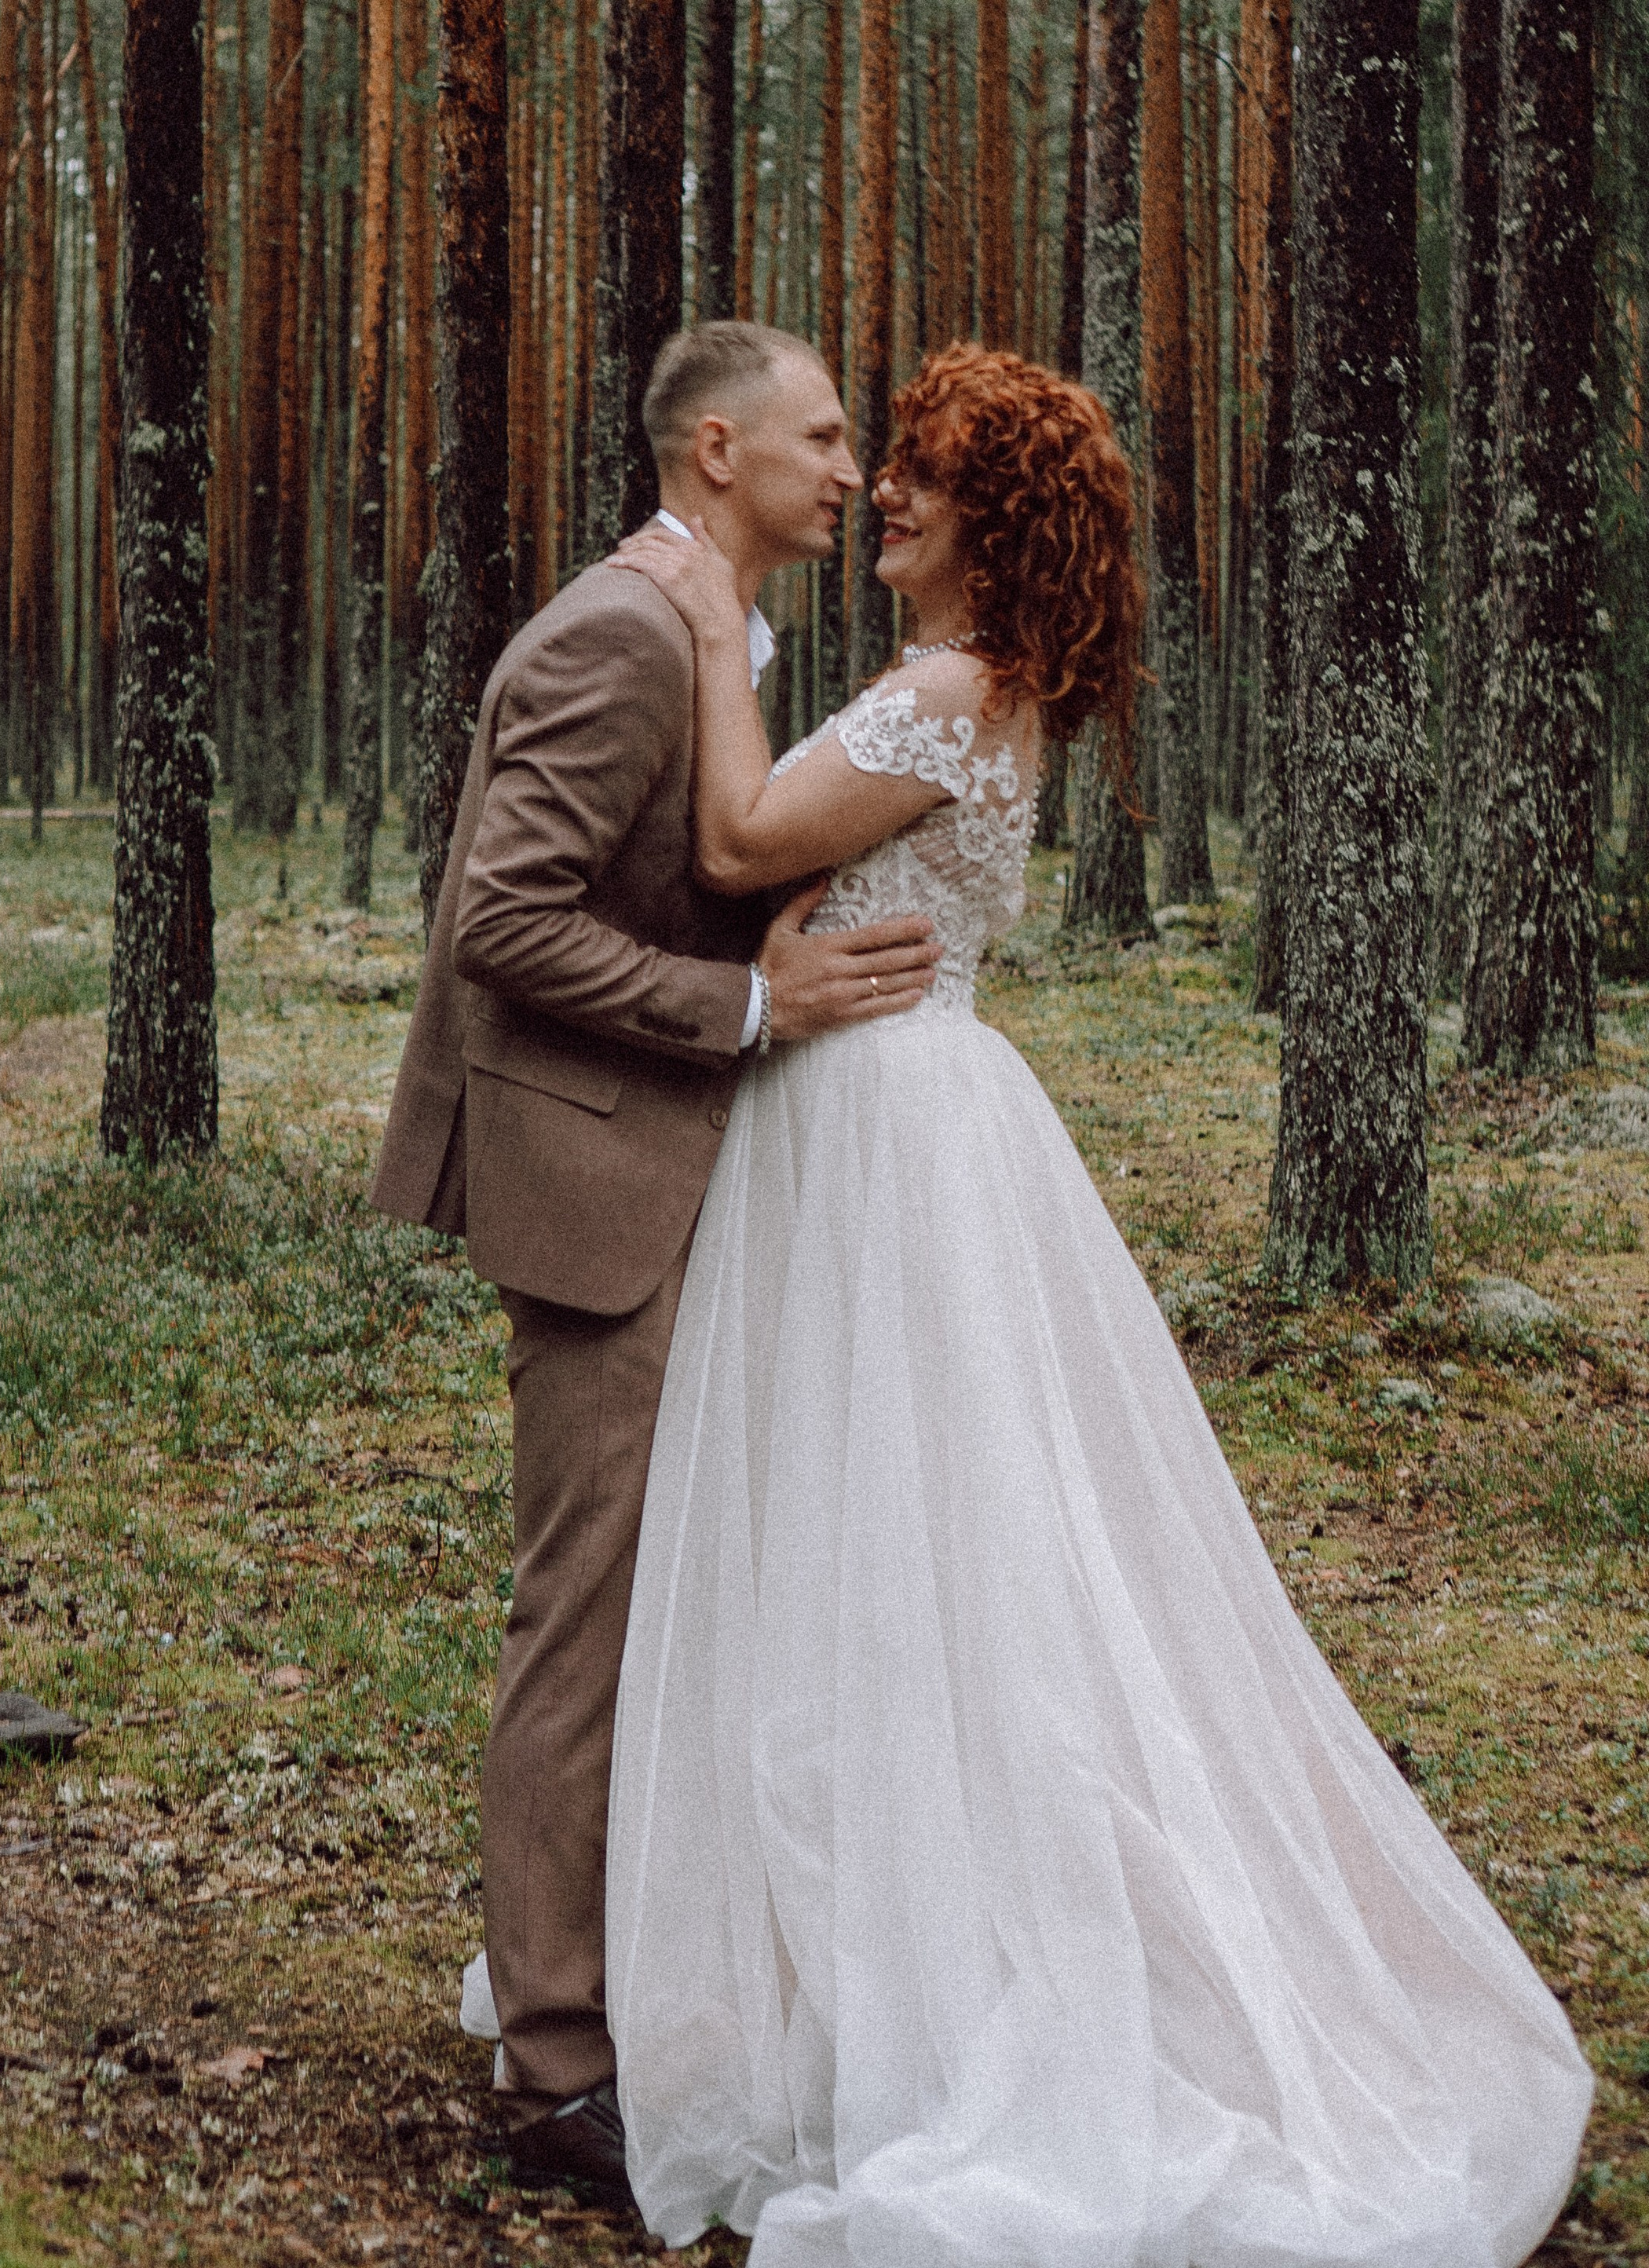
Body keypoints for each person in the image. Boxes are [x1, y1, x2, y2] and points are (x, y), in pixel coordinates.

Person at [601, 342, 1591, 2268]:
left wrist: (712, 620)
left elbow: (732, 844)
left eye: (926, 476)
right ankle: (850, 1950)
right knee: (898, 1546)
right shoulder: (971, 691)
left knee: (908, 1548)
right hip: (898, 1115)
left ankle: (934, 1979)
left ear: (1000, 520)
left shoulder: (947, 693)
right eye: (876, 463)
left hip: (883, 1133)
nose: (884, 490)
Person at [371, 320, 944, 2203]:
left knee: (682, 1607)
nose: (852, 470)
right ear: (716, 450)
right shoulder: (622, 631)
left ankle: (659, 1989)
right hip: (595, 1186)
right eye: (824, 435)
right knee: (588, 1625)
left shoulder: (718, 629)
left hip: (693, 1174)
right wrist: (747, 1000)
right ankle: (552, 2073)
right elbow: (499, 925)